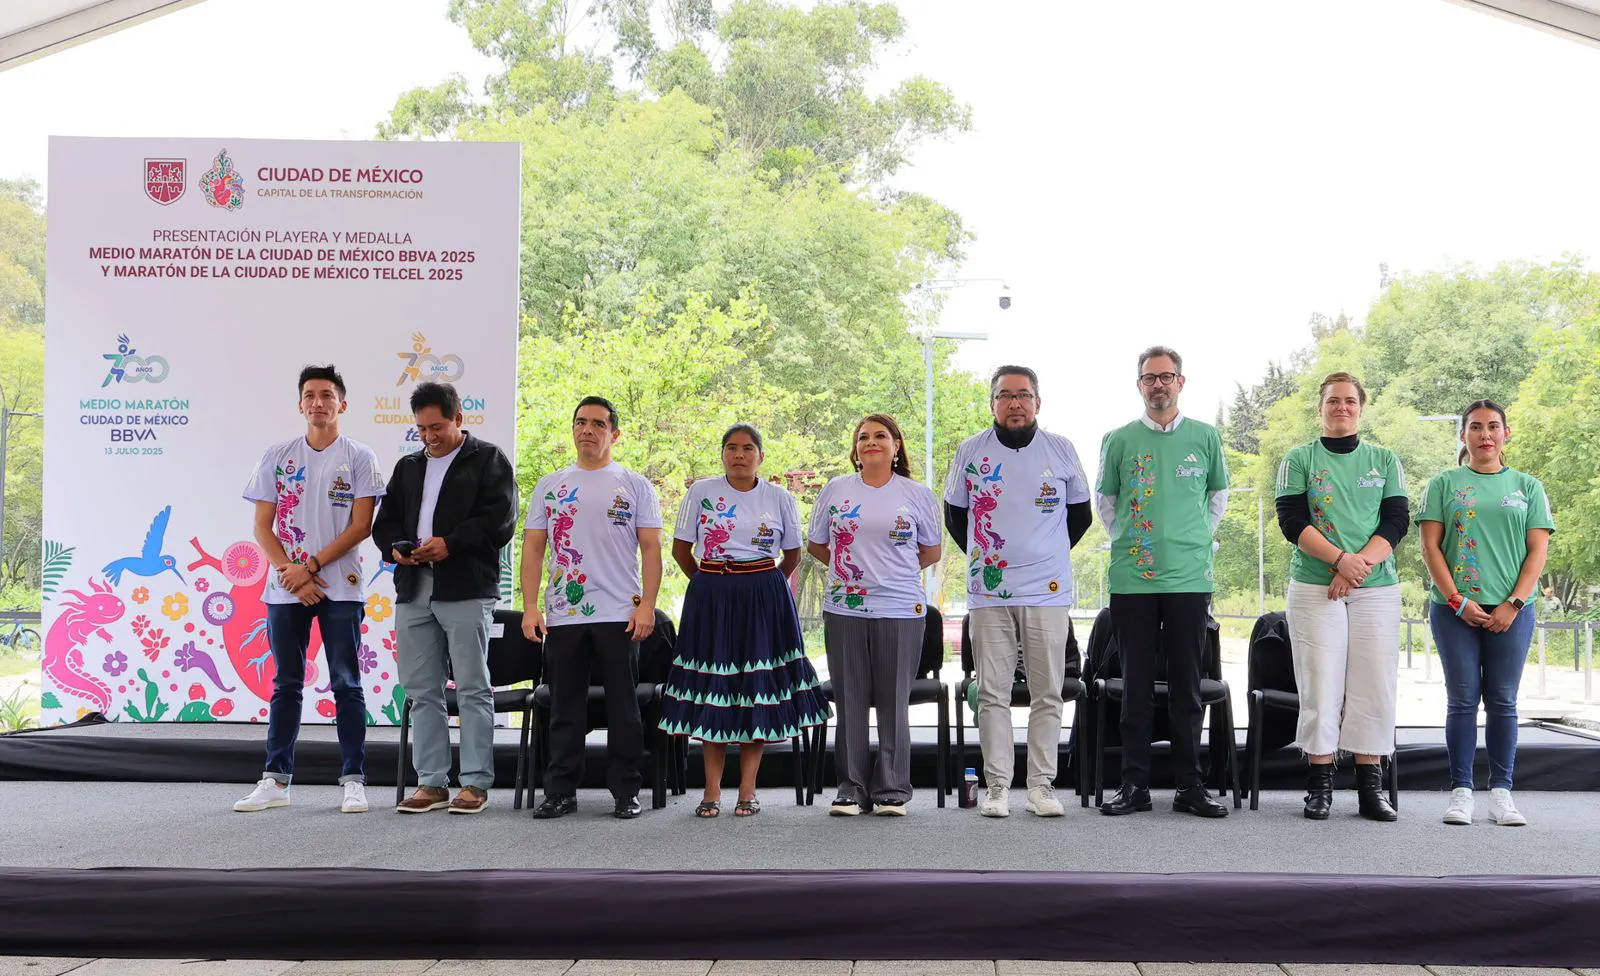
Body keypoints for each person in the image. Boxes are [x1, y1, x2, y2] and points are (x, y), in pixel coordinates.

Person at [234, 365, 385, 815]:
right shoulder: (277, 455)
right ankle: (275, 779)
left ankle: (353, 780)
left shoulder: (360, 456)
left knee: (346, 682)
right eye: (310, 395)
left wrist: (312, 567)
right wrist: (289, 573)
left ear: (343, 403)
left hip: (341, 585)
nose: (318, 402)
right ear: (300, 404)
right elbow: (262, 526)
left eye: (327, 395)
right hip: (285, 589)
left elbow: (362, 525)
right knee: (286, 683)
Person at [659, 424, 831, 817]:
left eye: (747, 448)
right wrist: (712, 586)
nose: (739, 455)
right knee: (714, 690)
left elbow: (791, 555)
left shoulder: (780, 497)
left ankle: (748, 791)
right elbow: (682, 551)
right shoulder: (701, 492)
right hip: (712, 596)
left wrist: (762, 587)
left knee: (756, 689)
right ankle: (712, 791)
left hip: (764, 597)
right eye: (731, 448)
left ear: (760, 456)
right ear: (722, 454)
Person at [945, 365, 1092, 818]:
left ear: (1037, 403)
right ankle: (997, 787)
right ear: (992, 403)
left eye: (1023, 395)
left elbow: (1080, 516)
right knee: (992, 692)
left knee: (1048, 691)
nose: (1015, 403)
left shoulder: (1061, 450)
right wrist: (991, 560)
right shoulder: (970, 451)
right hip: (990, 594)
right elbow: (956, 517)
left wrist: (1043, 555)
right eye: (1005, 395)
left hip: (1047, 593)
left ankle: (1042, 786)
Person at [1095, 347, 1231, 819]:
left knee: (1186, 684)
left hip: (1190, 579)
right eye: (1150, 377)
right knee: (1134, 685)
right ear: (1139, 385)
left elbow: (1218, 497)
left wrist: (1190, 542)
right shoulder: (1118, 440)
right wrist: (1137, 543)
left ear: (1181, 382)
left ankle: (1190, 785)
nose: (1159, 384)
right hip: (1133, 579)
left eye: (1166, 376)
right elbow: (1107, 503)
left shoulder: (1205, 437)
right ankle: (1134, 785)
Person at [373, 381, 518, 815]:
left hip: (466, 588)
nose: (429, 436)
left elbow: (501, 521)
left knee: (473, 687)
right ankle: (431, 783)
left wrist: (450, 543)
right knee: (421, 689)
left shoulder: (488, 459)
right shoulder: (408, 466)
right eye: (421, 428)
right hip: (414, 588)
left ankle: (474, 783)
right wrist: (396, 546)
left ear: (459, 418)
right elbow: (386, 523)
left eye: (437, 426)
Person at [1274, 371, 1408, 822]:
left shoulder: (1385, 460)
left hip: (1375, 588)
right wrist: (1338, 562)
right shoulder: (1299, 459)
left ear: (1361, 407)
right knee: (1321, 682)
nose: (1342, 407)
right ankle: (1320, 783)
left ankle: (1370, 787)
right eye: (1333, 401)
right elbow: (1291, 521)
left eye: (1350, 401)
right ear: (1321, 408)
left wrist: (1357, 567)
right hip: (1315, 585)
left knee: (1373, 683)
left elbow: (1396, 523)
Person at [524, 396, 663, 820]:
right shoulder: (551, 485)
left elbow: (652, 549)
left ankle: (626, 791)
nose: (587, 430)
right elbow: (533, 548)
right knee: (565, 706)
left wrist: (648, 607)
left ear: (613, 434)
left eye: (598, 424)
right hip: (565, 612)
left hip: (620, 611)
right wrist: (530, 608)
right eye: (580, 422)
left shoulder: (635, 484)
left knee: (624, 707)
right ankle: (561, 791)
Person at [1419, 399, 1553, 827]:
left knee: (1502, 702)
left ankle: (1502, 793)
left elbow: (1537, 552)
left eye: (1493, 426)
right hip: (1454, 609)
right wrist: (1457, 599)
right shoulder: (1443, 484)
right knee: (1461, 700)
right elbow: (1430, 548)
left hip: (1512, 612)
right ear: (1464, 436)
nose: (1485, 435)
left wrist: (1513, 603)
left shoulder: (1527, 487)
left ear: (1506, 433)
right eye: (1475, 427)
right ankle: (1461, 792)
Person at [807, 414, 941, 816]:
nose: (871, 442)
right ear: (855, 449)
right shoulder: (836, 490)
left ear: (896, 445)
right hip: (845, 608)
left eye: (880, 435)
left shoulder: (917, 494)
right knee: (849, 699)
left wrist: (887, 574)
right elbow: (817, 544)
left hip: (900, 608)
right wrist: (852, 573)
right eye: (863, 437)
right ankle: (851, 788)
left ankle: (892, 790)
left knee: (892, 700)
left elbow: (931, 553)